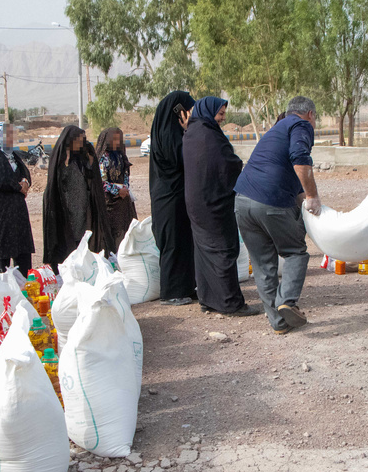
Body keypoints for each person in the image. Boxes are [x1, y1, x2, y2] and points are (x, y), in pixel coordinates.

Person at [235, 96, 321, 334]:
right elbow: (300, 160)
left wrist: (302, 194)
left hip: (241, 200)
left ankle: (279, 323)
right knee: (295, 252)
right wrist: (313, 196)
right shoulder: (301, 125)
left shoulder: (276, 130)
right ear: (310, 114)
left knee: (263, 264)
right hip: (269, 202)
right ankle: (288, 301)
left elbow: (279, 168)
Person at [183, 96, 258, 317]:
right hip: (212, 203)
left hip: (197, 201)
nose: (223, 118)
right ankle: (230, 303)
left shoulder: (192, 132)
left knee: (205, 249)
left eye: (224, 114)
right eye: (220, 114)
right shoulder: (208, 135)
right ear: (209, 112)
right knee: (224, 248)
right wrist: (237, 164)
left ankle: (208, 299)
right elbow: (225, 164)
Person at [43, 125, 116, 268]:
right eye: (79, 140)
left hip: (82, 208)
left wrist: (90, 162)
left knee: (82, 239)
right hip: (67, 210)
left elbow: (90, 178)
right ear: (71, 141)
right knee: (69, 240)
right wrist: (65, 163)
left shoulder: (81, 158)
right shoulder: (61, 159)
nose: (81, 143)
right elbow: (56, 183)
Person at [149, 91, 198, 305]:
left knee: (184, 242)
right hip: (168, 199)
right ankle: (170, 292)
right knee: (173, 244)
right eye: (186, 110)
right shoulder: (170, 135)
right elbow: (184, 157)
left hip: (176, 197)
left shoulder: (173, 134)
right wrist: (189, 131)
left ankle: (186, 287)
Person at [0, 122, 34, 274]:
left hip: (17, 212)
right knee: (3, 253)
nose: (11, 138)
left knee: (22, 251)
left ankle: (23, 288)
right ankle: (5, 293)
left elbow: (25, 173)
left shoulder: (13, 156)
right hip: (0, 214)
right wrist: (19, 187)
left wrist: (25, 182)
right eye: (7, 135)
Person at [96, 126, 138, 244]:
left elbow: (125, 174)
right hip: (109, 202)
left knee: (126, 234)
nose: (116, 142)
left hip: (123, 201)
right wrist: (116, 191)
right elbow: (101, 181)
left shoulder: (120, 155)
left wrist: (124, 188)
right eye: (114, 139)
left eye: (119, 139)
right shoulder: (103, 158)